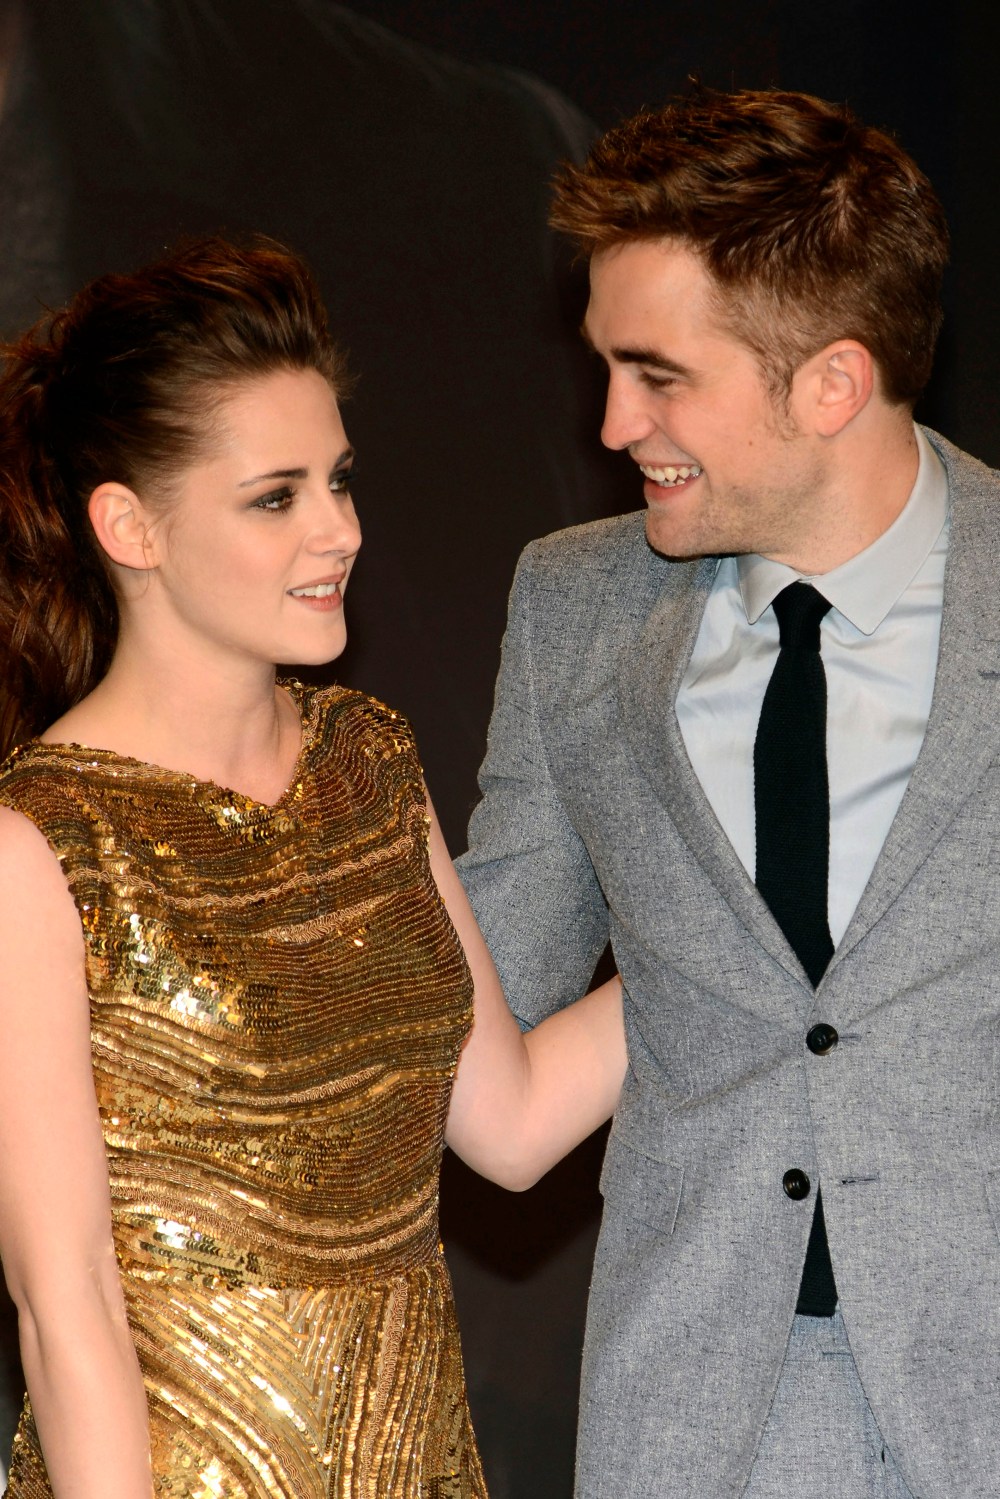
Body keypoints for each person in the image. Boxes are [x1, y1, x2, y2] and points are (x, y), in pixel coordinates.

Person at [0, 237, 626, 1498]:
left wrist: (747, 912)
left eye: (338, 480)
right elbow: (67, 1311)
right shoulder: (36, 843)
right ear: (128, 525)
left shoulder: (368, 759)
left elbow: (507, 1124)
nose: (341, 529)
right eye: (274, 497)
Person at [458, 87, 1000, 1499]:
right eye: (605, 365)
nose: (612, 421)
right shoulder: (572, 608)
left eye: (659, 374)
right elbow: (486, 1004)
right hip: (699, 1417)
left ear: (831, 383)